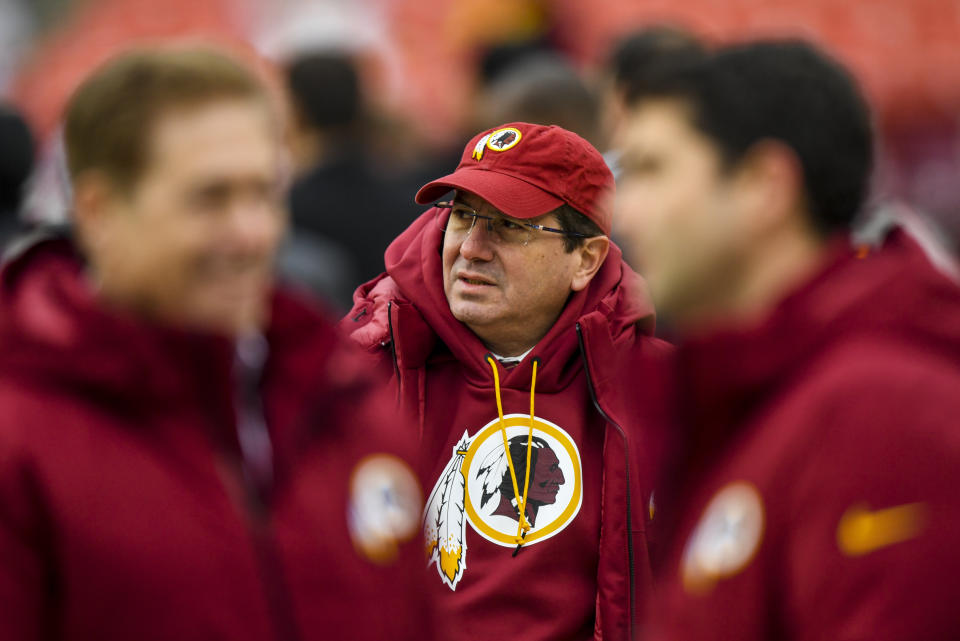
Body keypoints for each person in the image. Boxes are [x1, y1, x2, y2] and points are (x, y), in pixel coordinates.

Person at [0, 47, 428, 641]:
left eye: (263, 194)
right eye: (211, 198)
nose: (251, 232)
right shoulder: (20, 439)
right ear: (99, 211)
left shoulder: (350, 408)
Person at [615, 40, 960, 640]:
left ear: (763, 186)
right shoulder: (743, 406)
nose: (623, 210)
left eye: (651, 169)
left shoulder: (882, 413)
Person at [343, 121, 669, 641]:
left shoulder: (666, 393)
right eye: (463, 216)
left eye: (509, 227)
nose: (471, 248)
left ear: (585, 258)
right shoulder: (359, 374)